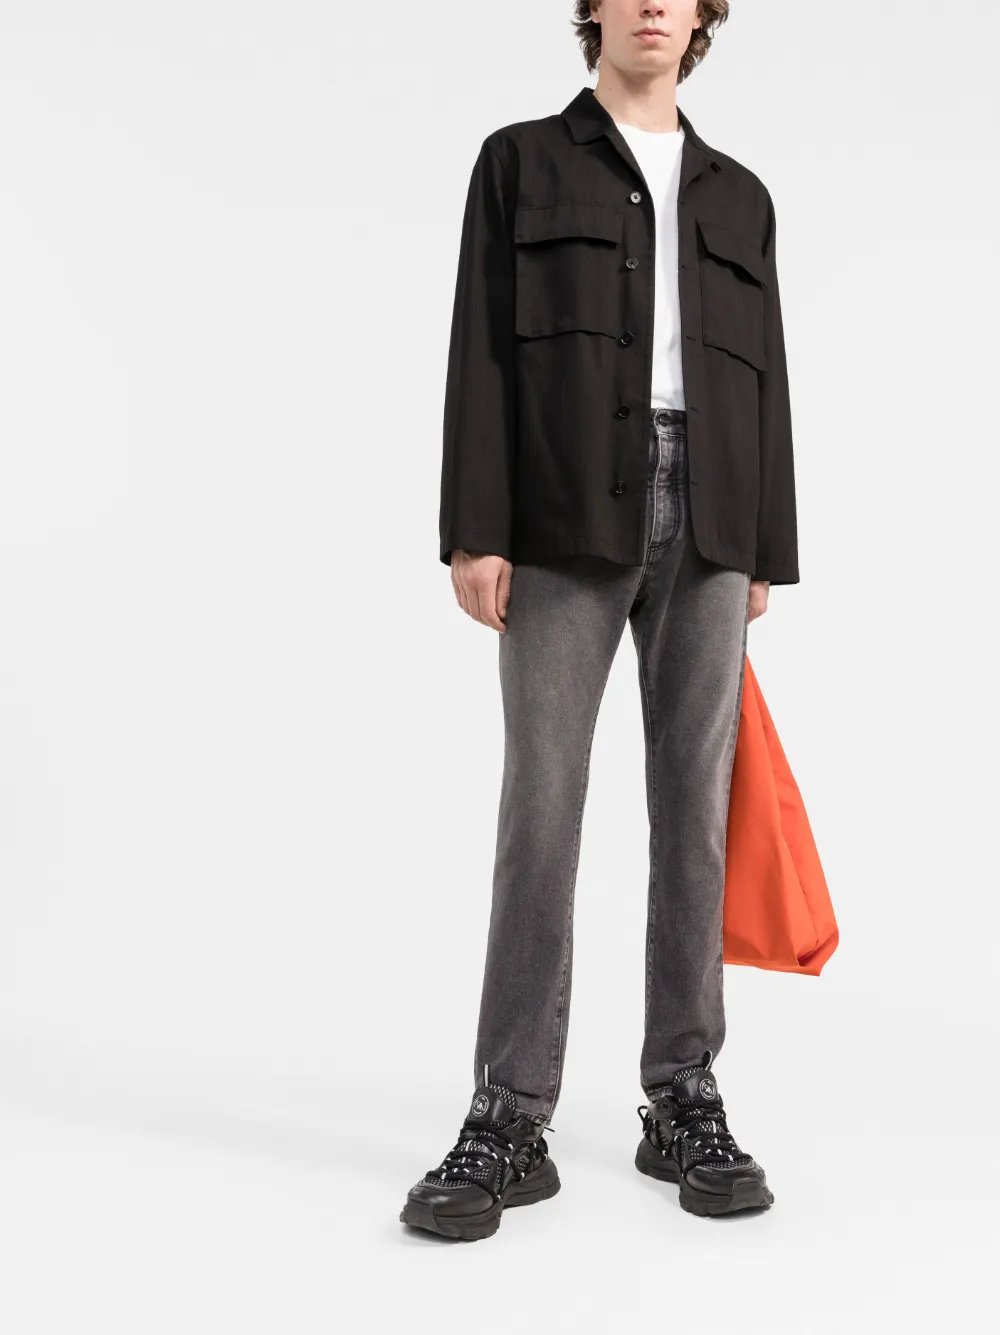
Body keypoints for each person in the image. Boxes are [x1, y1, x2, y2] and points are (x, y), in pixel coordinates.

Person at [401, 0, 799, 1240]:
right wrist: (475, 527)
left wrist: (766, 549)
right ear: (591, 9)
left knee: (695, 811)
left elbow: (768, 376)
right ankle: (508, 1114)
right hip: (563, 507)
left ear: (704, 13)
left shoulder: (740, 195)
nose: (651, 4)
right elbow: (479, 348)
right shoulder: (520, 161)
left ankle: (681, 1093)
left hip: (713, 523)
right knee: (543, 804)